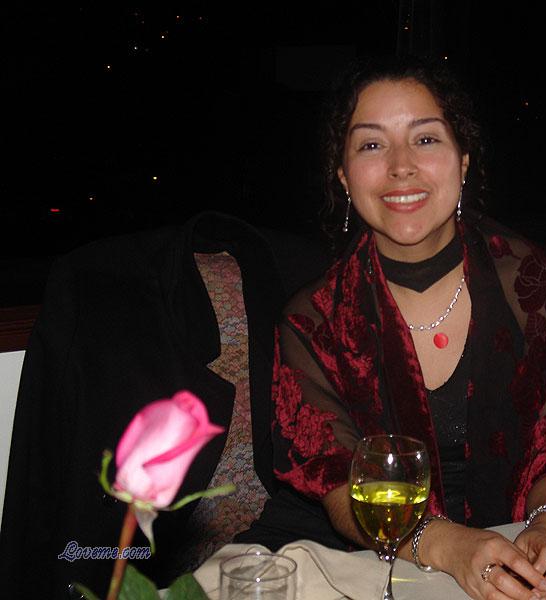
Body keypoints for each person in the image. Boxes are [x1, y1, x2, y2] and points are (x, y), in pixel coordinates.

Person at [241, 56, 546, 600]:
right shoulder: (313, 320)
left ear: (463, 161)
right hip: (347, 559)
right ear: (343, 176)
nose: (401, 166)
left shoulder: (534, 286)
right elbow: (340, 489)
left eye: (426, 139)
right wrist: (450, 547)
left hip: (498, 551)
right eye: (371, 145)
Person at [0, 212, 330, 597]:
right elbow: (38, 473)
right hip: (133, 561)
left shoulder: (319, 291)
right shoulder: (90, 284)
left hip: (285, 551)